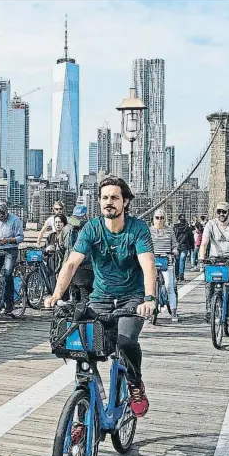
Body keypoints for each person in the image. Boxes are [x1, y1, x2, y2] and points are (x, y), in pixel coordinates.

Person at [44, 176, 156, 418]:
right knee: (82, 349)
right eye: (105, 198)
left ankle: (135, 384)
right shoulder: (92, 228)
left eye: (115, 197)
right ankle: (84, 413)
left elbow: (148, 265)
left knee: (125, 342)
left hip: (131, 298)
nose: (109, 202)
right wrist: (56, 294)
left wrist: (149, 299)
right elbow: (72, 262)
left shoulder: (137, 229)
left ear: (125, 202)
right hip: (101, 298)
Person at [0, 202, 25, 313]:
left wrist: (7, 240)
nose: (1, 219)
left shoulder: (15, 220)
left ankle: (9, 303)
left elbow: (20, 237)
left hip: (11, 249)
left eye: (2, 217)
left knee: (8, 275)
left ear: (6, 212)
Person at [149, 209, 180, 323]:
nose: (160, 220)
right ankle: (151, 309)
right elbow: (145, 244)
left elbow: (175, 243)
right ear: (153, 218)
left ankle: (174, 311)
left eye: (162, 217)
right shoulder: (149, 231)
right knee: (149, 285)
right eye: (157, 217)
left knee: (169, 286)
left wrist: (175, 249)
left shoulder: (169, 231)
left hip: (167, 260)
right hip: (153, 260)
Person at [60, 204, 94, 302]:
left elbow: (62, 246)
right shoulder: (89, 227)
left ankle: (76, 313)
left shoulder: (66, 228)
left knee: (75, 294)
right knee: (86, 296)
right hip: (86, 266)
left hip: (70, 264)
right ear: (85, 215)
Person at [44, 213, 68, 278]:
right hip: (51, 267)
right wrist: (47, 249)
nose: (58, 224)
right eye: (56, 222)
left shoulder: (67, 236)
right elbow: (44, 252)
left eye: (60, 222)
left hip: (62, 267)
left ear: (64, 223)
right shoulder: (51, 236)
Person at [173, 213, 195, 281]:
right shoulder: (188, 228)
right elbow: (191, 237)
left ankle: (177, 275)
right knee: (182, 261)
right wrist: (192, 246)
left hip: (177, 246)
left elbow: (173, 238)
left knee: (177, 261)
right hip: (185, 246)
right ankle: (181, 275)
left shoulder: (175, 228)